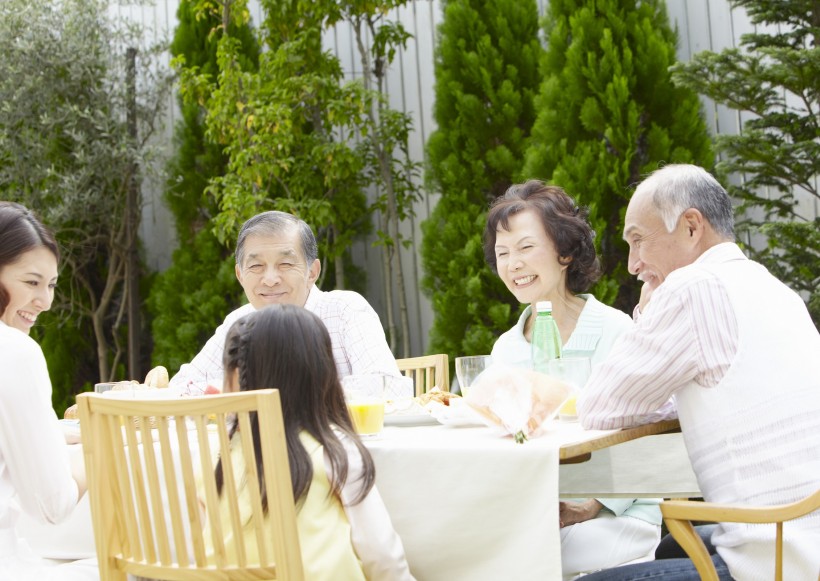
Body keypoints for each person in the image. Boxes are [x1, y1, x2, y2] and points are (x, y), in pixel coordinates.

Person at [578, 164, 820, 581]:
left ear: (691, 226)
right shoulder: (772, 288)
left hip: (778, 559)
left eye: (638, 240)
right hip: (806, 532)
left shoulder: (692, 287)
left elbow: (600, 408)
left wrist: (647, 310)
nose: (633, 264)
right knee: (667, 546)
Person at [483, 181, 662, 579]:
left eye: (526, 248)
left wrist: (592, 504)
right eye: (503, 253)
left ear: (564, 252)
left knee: (511, 563)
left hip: (619, 516)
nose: (513, 264)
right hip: (535, 520)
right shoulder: (504, 351)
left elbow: (646, 436)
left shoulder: (616, 331)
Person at [212, 304, 415, 580]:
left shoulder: (217, 452)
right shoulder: (335, 450)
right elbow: (382, 555)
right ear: (321, 373)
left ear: (236, 378)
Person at [170, 211, 402, 396]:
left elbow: (387, 386)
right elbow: (181, 387)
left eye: (286, 264)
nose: (270, 279)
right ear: (240, 276)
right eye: (256, 266)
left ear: (312, 271)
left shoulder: (346, 310)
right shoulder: (239, 322)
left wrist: (285, 399)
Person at [0, 202, 97, 580]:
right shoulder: (15, 351)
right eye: (31, 282)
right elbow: (51, 505)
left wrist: (63, 433)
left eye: (52, 285)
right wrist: (104, 445)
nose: (45, 301)